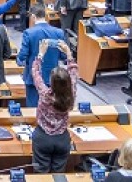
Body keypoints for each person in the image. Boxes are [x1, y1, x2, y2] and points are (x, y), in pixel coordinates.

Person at [32, 39, 77, 173]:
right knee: (58, 175)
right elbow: (74, 73)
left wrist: (40, 54)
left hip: (43, 137)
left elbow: (35, 72)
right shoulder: (71, 93)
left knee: (41, 176)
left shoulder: (45, 94)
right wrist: (69, 54)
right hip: (62, 138)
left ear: (51, 82)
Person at [17, 4, 65, 107]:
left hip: (33, 77)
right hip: (53, 77)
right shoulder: (58, 32)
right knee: (51, 107)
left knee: (33, 109)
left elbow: (23, 55)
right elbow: (63, 56)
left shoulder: (28, 33)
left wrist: (19, 60)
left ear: (33, 16)